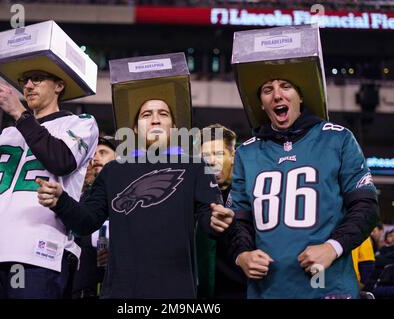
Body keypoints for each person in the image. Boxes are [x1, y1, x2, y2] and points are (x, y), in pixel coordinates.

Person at [37, 98, 234, 298]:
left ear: (174, 128)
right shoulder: (113, 171)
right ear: (136, 129)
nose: (155, 119)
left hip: (177, 291)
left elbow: (209, 215)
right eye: (146, 114)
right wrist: (62, 201)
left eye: (163, 114)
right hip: (121, 292)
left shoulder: (196, 167)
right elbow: (86, 222)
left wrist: (217, 220)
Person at [225, 78, 379, 299]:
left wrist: (332, 247)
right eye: (268, 90)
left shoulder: (338, 138)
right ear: (261, 103)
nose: (277, 95)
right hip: (267, 291)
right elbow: (239, 219)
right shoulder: (246, 153)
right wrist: (243, 254)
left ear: (301, 96)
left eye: (286, 87)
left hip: (327, 287)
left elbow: (366, 207)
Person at [0, 68, 98, 298]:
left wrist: (19, 113)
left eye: (38, 79)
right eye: (24, 80)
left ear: (59, 85)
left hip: (36, 255)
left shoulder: (79, 123)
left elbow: (61, 161)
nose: (29, 85)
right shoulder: (8, 134)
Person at [195, 124, 247, 299]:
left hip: (245, 290)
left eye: (218, 153)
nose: (210, 161)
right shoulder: (195, 198)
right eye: (204, 156)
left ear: (233, 156)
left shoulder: (251, 193)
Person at [72, 136, 117, 299]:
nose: (96, 158)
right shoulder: (79, 197)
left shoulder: (128, 198)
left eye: (103, 153)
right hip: (82, 288)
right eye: (94, 154)